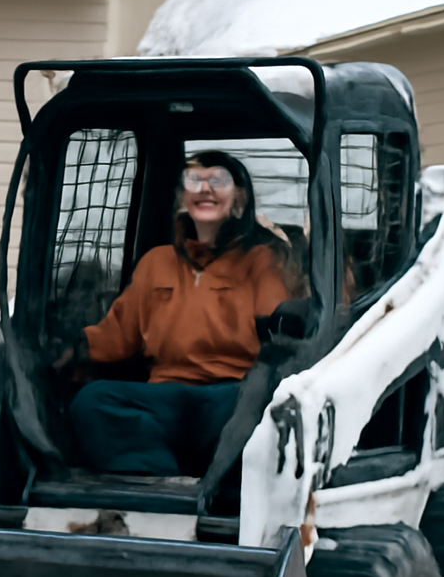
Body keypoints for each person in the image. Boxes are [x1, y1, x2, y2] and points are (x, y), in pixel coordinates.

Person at [64, 150, 292, 477]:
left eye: (218, 181)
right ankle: (161, 483)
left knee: (261, 408)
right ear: (182, 195)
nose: (204, 189)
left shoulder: (262, 260)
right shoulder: (156, 263)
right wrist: (68, 347)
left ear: (239, 198)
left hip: (230, 397)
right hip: (162, 400)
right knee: (93, 401)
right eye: (194, 179)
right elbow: (116, 336)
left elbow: (279, 326)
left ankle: (214, 484)